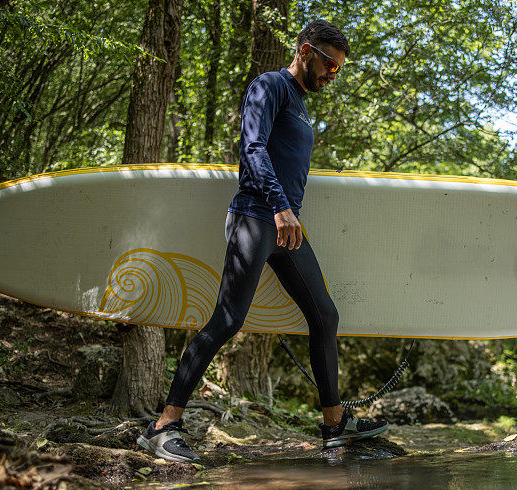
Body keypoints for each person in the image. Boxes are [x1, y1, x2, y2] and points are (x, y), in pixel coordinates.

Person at [137, 20, 389, 463]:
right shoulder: (269, 86)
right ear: (306, 50)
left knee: (325, 314)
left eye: (339, 69)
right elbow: (252, 148)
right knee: (228, 319)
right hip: (256, 217)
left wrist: (287, 214)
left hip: (285, 227)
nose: (333, 74)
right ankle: (164, 425)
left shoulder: (301, 103)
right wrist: (280, 206)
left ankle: (334, 425)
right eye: (330, 64)